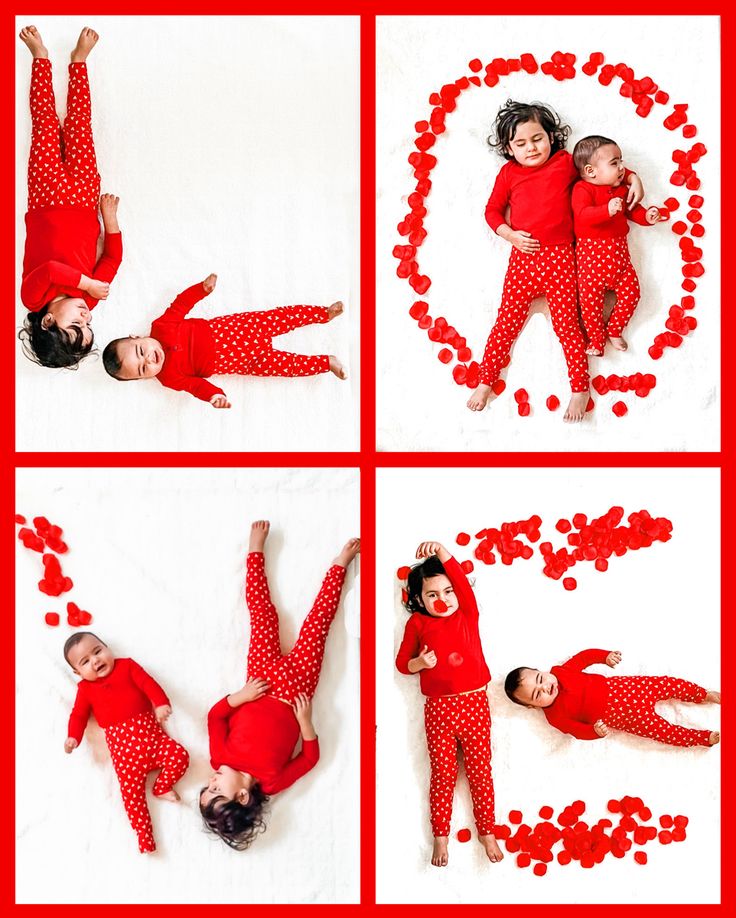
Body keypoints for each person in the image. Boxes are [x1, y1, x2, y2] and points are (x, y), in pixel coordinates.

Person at [467, 100, 644, 421]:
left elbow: (600, 166)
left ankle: (579, 389)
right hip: (523, 258)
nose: (531, 148)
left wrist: (633, 178)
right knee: (504, 326)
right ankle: (485, 381)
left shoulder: (564, 163)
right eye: (520, 144)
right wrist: (510, 234)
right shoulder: (509, 174)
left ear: (551, 136)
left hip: (562, 260)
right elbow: (491, 212)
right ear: (509, 149)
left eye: (537, 138)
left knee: (568, 329)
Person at [199, 520, 360, 849]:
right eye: (216, 789)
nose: (211, 780)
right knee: (318, 624)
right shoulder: (272, 782)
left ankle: (255, 550)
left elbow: (214, 718)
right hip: (299, 688)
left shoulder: (220, 757)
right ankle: (340, 566)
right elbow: (309, 759)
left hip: (259, 678)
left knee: (262, 614)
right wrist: (305, 724)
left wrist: (240, 697)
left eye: (206, 787)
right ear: (243, 796)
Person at [19, 25, 122, 368]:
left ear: (48, 321)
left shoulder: (32, 299)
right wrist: (110, 221)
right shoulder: (89, 299)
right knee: (80, 123)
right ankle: (79, 62)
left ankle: (40, 58)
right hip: (82, 199)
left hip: (45, 197)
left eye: (75, 324)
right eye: (88, 325)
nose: (85, 317)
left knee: (45, 123)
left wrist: (87, 284)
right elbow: (111, 261)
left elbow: (50, 269)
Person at [396, 541, 502, 867]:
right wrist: (419, 663)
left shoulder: (467, 613)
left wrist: (442, 552)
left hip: (473, 704)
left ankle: (487, 831)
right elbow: (402, 663)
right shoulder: (418, 624)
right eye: (432, 595)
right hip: (439, 710)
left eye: (448, 592)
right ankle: (440, 837)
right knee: (442, 774)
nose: (442, 600)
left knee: (480, 772)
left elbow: (457, 581)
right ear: (419, 600)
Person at [102, 274, 346, 407]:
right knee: (286, 367)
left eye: (140, 350)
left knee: (280, 317)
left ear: (138, 337)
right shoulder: (168, 378)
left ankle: (322, 314)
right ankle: (327, 363)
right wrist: (214, 396)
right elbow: (196, 387)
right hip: (246, 362)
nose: (149, 359)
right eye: (144, 369)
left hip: (237, 329)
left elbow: (180, 305)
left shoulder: (162, 326)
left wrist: (201, 289)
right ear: (145, 377)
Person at [64, 632, 189, 853]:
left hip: (155, 742)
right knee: (132, 798)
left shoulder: (127, 667)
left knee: (180, 756)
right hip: (126, 759)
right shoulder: (85, 689)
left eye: (98, 651)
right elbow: (78, 715)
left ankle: (162, 786)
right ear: (77, 672)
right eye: (85, 662)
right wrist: (73, 736)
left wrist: (160, 704)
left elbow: (149, 684)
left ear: (106, 647)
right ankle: (144, 836)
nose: (95, 660)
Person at [504, 648, 720, 747]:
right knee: (664, 732)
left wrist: (604, 657)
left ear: (542, 671)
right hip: (626, 718)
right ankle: (702, 738)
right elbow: (576, 731)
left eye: (541, 679)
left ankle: (702, 694)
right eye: (537, 694)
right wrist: (594, 732)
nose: (545, 688)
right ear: (532, 706)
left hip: (629, 687)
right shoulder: (555, 716)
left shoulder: (561, 672)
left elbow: (583, 657)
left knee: (668, 684)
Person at [572, 134, 665, 355]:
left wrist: (647, 217)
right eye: (615, 163)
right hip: (591, 266)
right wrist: (606, 210)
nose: (622, 167)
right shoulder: (582, 189)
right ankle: (595, 340)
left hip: (620, 263)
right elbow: (582, 215)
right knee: (589, 305)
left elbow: (633, 209)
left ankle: (615, 329)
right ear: (591, 171)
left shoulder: (622, 189)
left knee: (632, 292)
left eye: (621, 160)